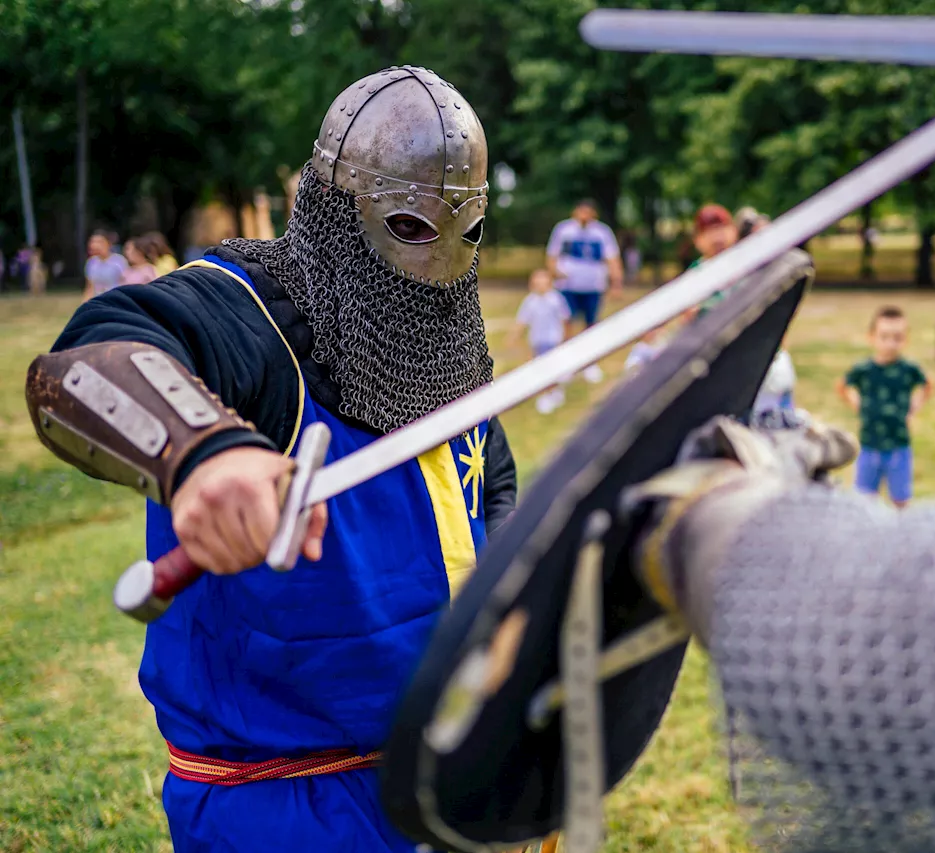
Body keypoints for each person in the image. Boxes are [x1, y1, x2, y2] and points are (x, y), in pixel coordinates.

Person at [25, 67, 527, 853]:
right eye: (411, 224)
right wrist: (204, 453)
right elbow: (86, 360)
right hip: (290, 807)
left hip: (452, 776)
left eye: (461, 229)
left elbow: (487, 480)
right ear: (333, 205)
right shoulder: (242, 309)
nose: (439, 258)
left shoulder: (444, 339)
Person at [837, 306, 932, 508]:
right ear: (871, 337)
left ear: (906, 339)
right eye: (884, 337)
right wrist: (857, 404)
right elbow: (843, 386)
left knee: (901, 499)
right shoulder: (864, 369)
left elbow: (927, 384)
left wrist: (915, 406)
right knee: (864, 499)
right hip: (869, 443)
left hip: (899, 444)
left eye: (897, 338)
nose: (890, 343)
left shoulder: (908, 369)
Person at [546, 198, 623, 383]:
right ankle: (566, 364)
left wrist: (616, 283)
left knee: (591, 325)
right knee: (567, 324)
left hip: (593, 287)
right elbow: (552, 255)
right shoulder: (564, 230)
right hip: (568, 287)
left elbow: (612, 258)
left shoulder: (602, 233)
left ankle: (589, 363)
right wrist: (554, 273)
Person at [510, 268, 571, 414]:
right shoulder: (530, 301)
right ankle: (547, 393)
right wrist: (513, 336)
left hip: (553, 339)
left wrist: (565, 339)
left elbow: (565, 319)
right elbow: (522, 321)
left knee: (552, 367)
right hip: (537, 340)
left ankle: (553, 392)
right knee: (541, 368)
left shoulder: (556, 299)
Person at [82, 230, 129, 301]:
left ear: (108, 244)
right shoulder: (91, 262)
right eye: (92, 242)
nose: (95, 245)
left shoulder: (119, 261)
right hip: (98, 301)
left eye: (99, 242)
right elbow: (90, 288)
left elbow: (126, 284)